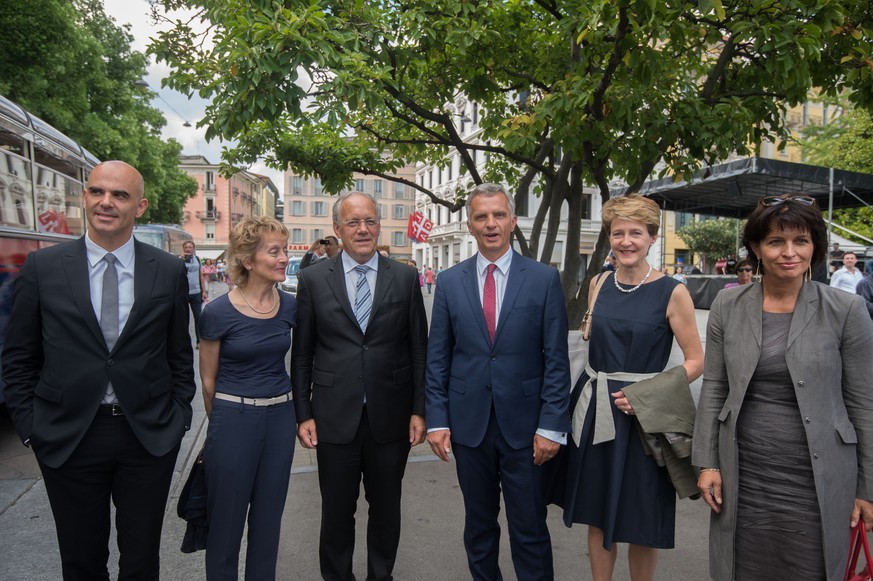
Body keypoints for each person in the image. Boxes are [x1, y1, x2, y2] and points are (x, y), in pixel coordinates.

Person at [1, 160, 195, 579]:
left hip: (147, 435)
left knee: (141, 560)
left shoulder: (166, 270)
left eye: (120, 195)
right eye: (97, 192)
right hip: (69, 435)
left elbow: (179, 354)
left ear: (139, 207)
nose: (106, 202)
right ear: (85, 197)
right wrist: (31, 425)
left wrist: (178, 416)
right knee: (81, 560)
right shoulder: (44, 268)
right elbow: (18, 356)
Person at [693, 194, 873, 580]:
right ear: (757, 248)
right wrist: (707, 461)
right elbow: (715, 388)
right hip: (745, 473)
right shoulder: (728, 307)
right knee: (743, 568)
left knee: (811, 567)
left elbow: (864, 404)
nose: (789, 252)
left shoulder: (846, 310)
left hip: (817, 478)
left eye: (801, 241)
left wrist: (867, 487)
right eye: (776, 242)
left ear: (815, 247)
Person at [425, 183, 570, 580]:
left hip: (527, 430)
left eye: (498, 215)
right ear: (470, 225)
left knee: (530, 530)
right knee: (479, 527)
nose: (491, 224)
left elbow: (557, 360)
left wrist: (552, 426)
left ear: (513, 221)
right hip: (469, 428)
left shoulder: (543, 279)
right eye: (481, 217)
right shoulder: (450, 281)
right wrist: (437, 419)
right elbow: (438, 356)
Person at [561, 194, 704, 581]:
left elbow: (696, 361)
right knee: (597, 515)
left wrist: (648, 395)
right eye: (618, 232)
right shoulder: (598, 282)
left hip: (645, 420)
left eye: (635, 233)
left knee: (642, 519)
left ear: (652, 238)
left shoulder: (673, 291)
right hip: (595, 414)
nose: (626, 241)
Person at [290, 191, 427, 581]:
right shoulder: (313, 279)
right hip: (333, 418)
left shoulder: (404, 277)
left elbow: (419, 348)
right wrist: (304, 414)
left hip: (392, 417)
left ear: (379, 225)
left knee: (386, 512)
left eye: (369, 221)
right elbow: (302, 354)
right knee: (336, 514)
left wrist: (419, 408)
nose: (363, 229)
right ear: (337, 229)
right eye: (353, 222)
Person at [199, 217, 297, 580]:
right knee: (225, 524)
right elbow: (207, 381)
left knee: (268, 523)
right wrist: (223, 427)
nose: (284, 258)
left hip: (280, 420)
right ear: (248, 260)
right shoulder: (217, 312)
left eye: (284, 250)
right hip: (232, 419)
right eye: (275, 251)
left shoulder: (289, 307)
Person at [182, 240, 206, 347]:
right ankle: (183, 342)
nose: (188, 249)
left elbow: (201, 276)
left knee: (198, 317)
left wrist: (204, 291)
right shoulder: (179, 260)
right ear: (183, 248)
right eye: (186, 247)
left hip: (196, 292)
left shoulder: (197, 259)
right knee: (183, 319)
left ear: (193, 248)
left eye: (190, 247)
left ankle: (199, 341)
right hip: (183, 293)